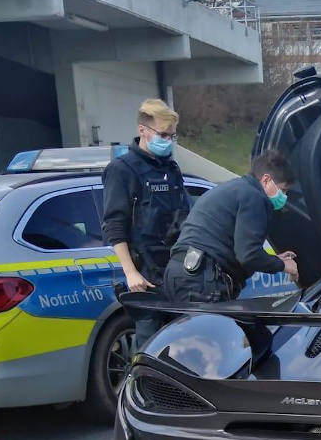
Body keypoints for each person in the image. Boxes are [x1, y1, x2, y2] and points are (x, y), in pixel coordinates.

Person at [101, 98, 191, 348]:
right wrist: (131, 273)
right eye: (164, 134)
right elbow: (114, 224)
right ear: (143, 130)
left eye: (172, 135)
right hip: (147, 278)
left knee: (182, 350)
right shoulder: (122, 170)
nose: (169, 140)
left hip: (177, 274)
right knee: (151, 351)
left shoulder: (171, 169)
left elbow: (186, 216)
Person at [162, 150, 298, 303]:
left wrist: (272, 259)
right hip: (201, 280)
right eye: (283, 190)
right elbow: (248, 256)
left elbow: (233, 244)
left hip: (179, 273)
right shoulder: (254, 197)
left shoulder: (234, 189)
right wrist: (282, 265)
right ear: (266, 180)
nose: (284, 197)